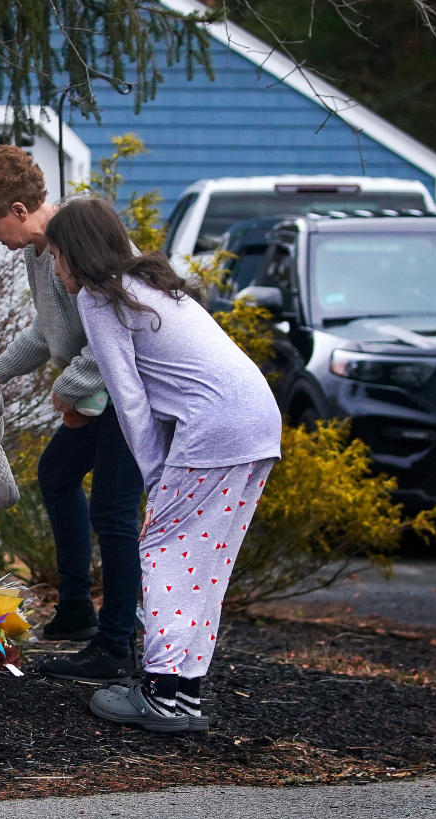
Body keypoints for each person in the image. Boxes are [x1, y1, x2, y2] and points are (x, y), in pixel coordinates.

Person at [44, 196, 282, 732]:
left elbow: (128, 398)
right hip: (258, 420)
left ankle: (158, 694)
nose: (54, 268)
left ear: (75, 254)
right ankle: (185, 694)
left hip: (215, 428)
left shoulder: (100, 301)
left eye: (56, 256)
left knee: (164, 551)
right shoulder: (150, 284)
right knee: (204, 564)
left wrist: (154, 473)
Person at [0, 146, 144, 682]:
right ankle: (77, 610)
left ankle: (115, 645)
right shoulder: (40, 254)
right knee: (57, 474)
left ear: (18, 209)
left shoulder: (84, 243)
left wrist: (68, 386)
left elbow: (119, 327)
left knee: (113, 514)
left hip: (130, 396)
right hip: (96, 396)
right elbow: (48, 330)